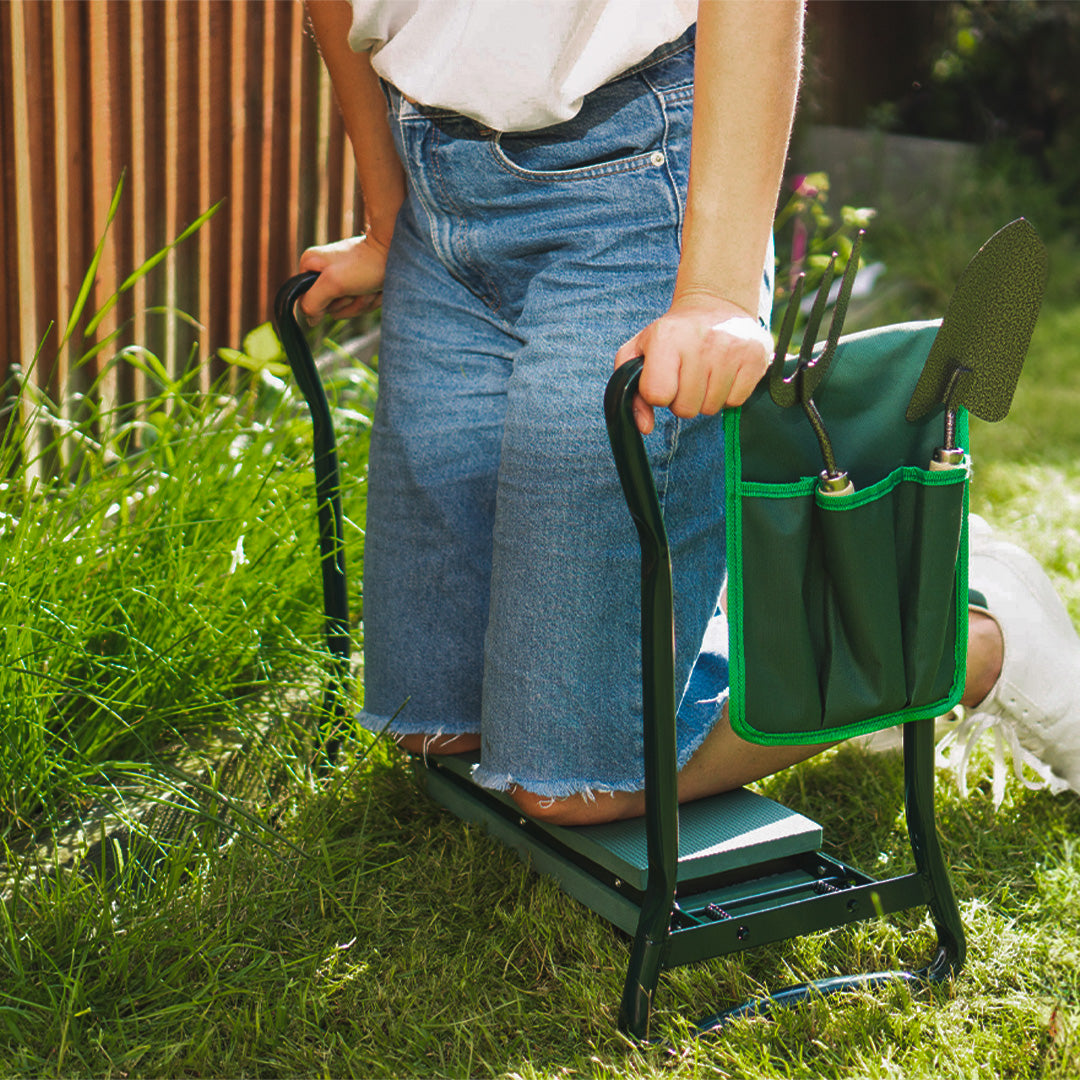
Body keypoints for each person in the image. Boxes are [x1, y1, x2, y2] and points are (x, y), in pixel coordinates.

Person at [299, 0, 1080, 825]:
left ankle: (969, 637)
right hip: (435, 182)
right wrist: (391, 222)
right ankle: (759, 603)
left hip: (632, 181)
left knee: (570, 785)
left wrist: (716, 291)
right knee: (434, 725)